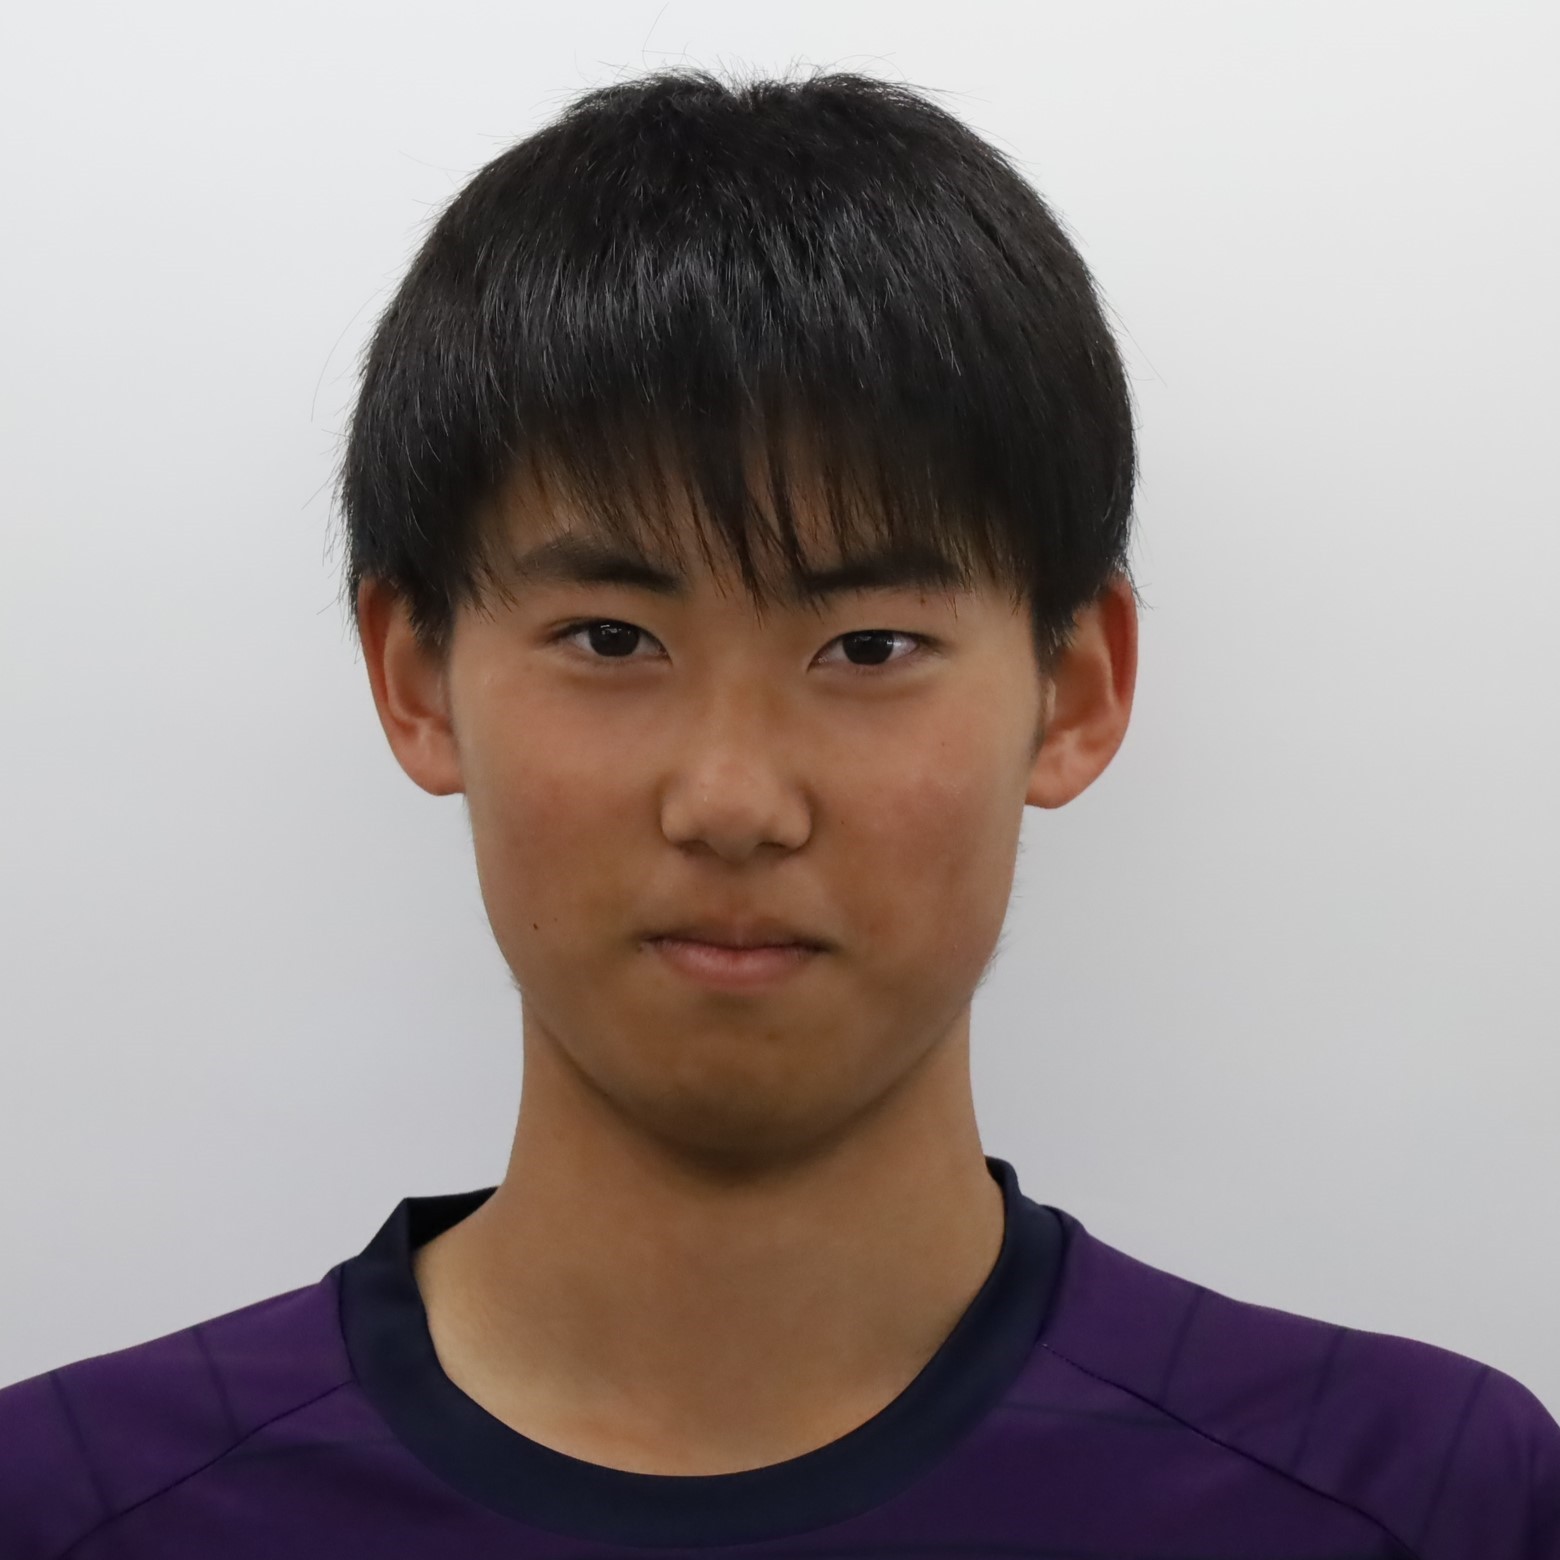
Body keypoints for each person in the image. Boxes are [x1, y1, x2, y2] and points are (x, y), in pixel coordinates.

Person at [3, 63, 1556, 1560]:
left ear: (1076, 690)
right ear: (416, 678)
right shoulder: (68, 1509)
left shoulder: (1420, 1502)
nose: (732, 802)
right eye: (610, 639)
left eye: (867, 648)